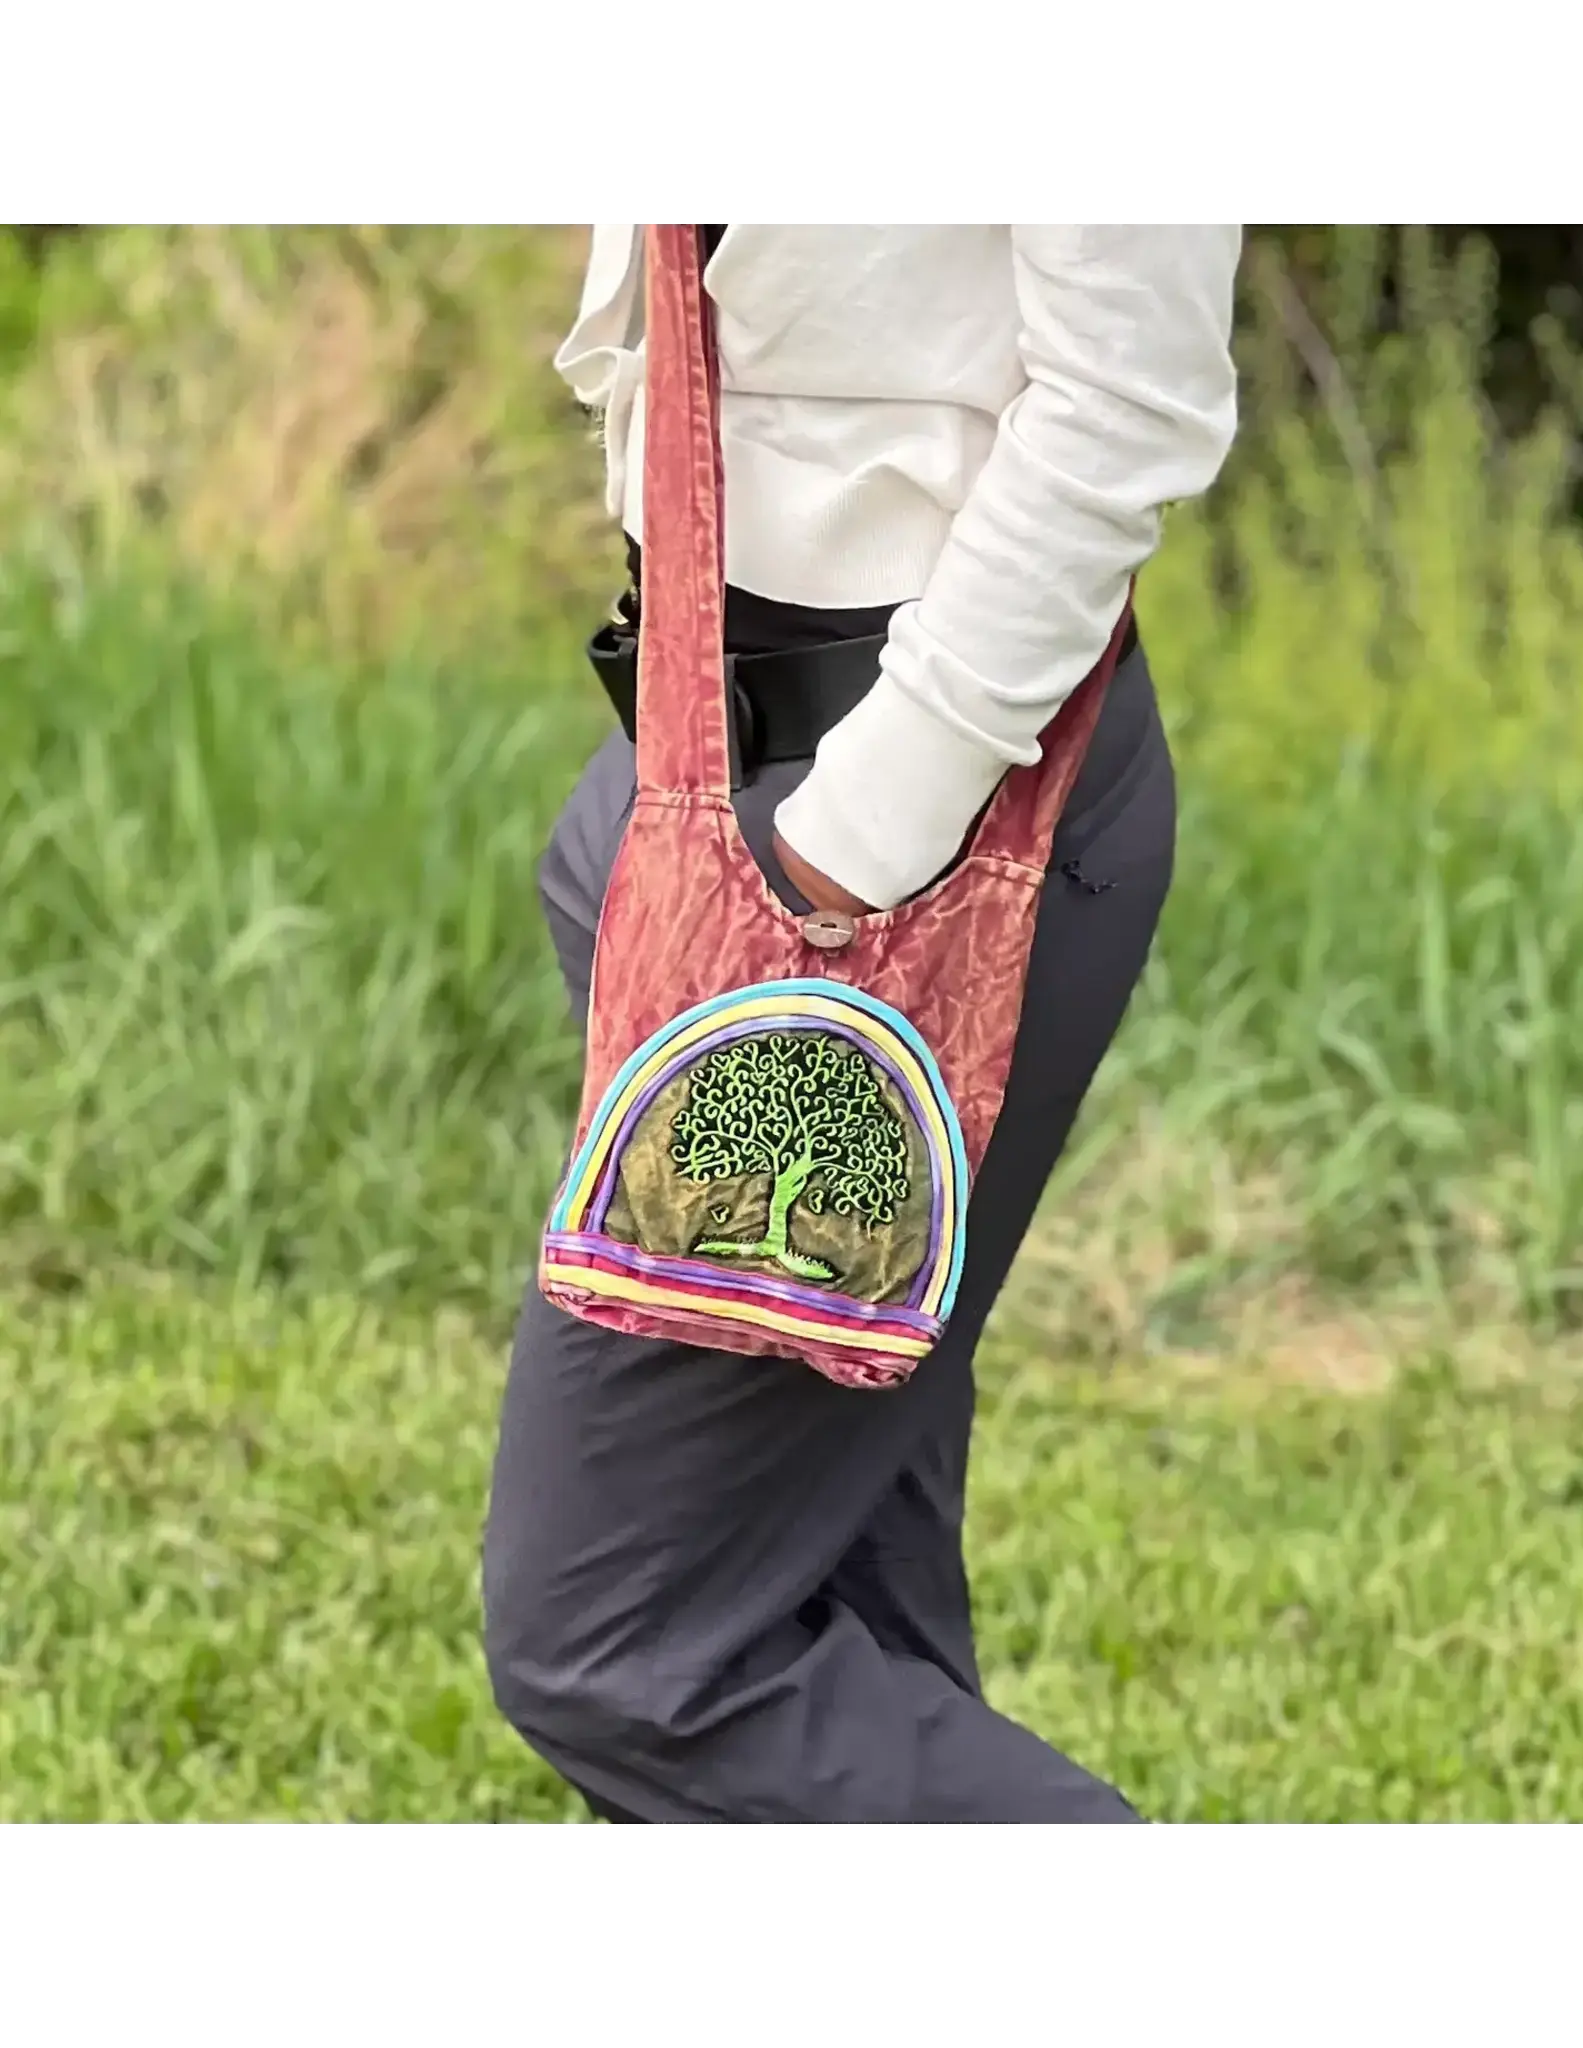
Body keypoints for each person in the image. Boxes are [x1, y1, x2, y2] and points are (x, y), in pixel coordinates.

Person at [484, 223, 1242, 1824]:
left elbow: (1130, 402)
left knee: (625, 1649)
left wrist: (835, 861)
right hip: (694, 748)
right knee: (823, 1583)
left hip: (895, 839)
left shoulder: (857, 855)